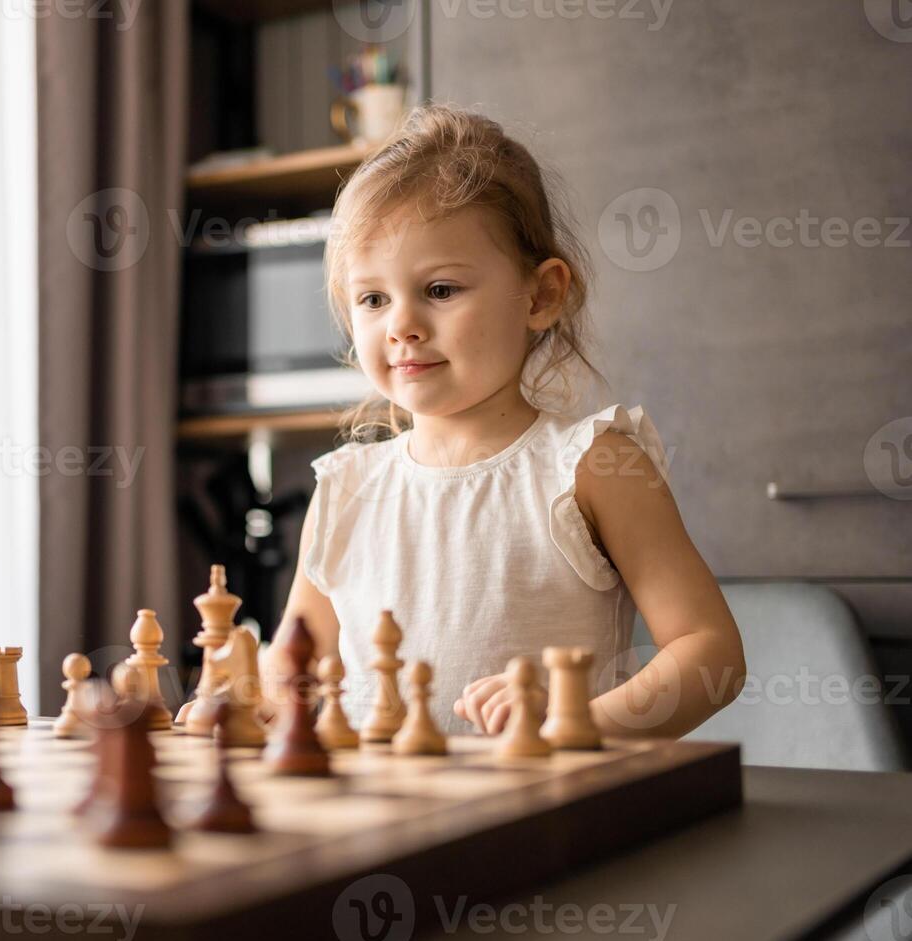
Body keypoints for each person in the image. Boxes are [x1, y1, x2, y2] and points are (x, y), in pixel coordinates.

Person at [277, 104, 745, 738]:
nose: (402, 325)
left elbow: (709, 650)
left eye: (440, 290)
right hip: (382, 823)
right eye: (373, 299)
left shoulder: (592, 465)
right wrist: (242, 700)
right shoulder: (345, 487)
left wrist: (580, 723)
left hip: (548, 821)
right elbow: (295, 663)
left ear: (542, 295)